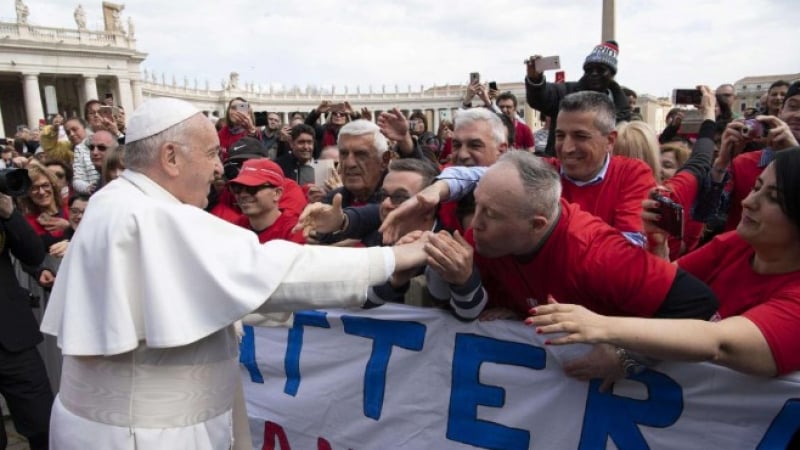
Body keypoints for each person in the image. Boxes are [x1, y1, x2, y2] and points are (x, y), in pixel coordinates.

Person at [40, 98, 428, 450]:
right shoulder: (154, 216)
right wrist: (395, 258)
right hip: (148, 434)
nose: (217, 169)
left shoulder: (114, 200)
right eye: (211, 154)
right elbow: (275, 272)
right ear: (171, 157)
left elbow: (202, 297)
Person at [529, 147, 800, 379]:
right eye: (756, 187)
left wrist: (601, 326)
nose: (748, 202)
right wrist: (658, 245)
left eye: (773, 198)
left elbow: (720, 342)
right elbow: (667, 292)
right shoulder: (735, 244)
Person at [0, 191, 54, 450]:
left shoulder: (3, 210)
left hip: (13, 338)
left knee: (43, 423)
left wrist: (10, 215)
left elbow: (32, 254)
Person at [525, 41, 632, 155]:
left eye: (600, 70)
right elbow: (541, 98)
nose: (594, 74)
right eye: (589, 70)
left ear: (611, 74)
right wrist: (535, 80)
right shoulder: (565, 93)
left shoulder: (622, 109)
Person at [229, 158, 305, 244]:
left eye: (252, 188)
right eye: (237, 188)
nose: (243, 195)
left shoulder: (294, 231)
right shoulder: (236, 227)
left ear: (277, 193)